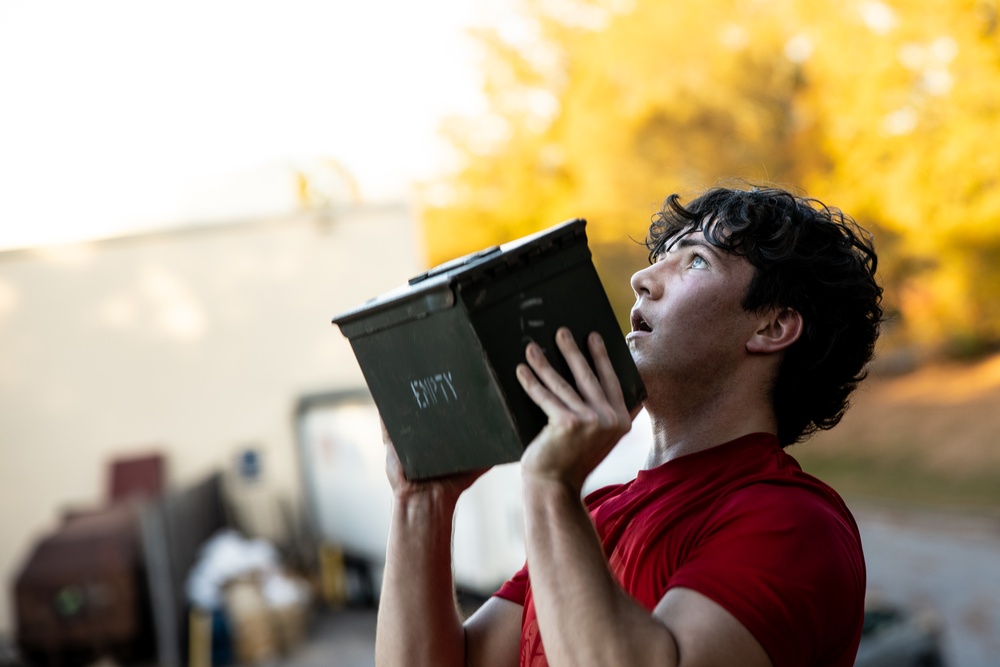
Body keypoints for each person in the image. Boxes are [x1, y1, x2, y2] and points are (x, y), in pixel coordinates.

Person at [375, 184, 883, 667]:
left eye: (696, 261)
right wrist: (422, 504)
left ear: (771, 326)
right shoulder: (595, 514)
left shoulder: (793, 521)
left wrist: (550, 484)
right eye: (660, 257)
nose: (643, 279)